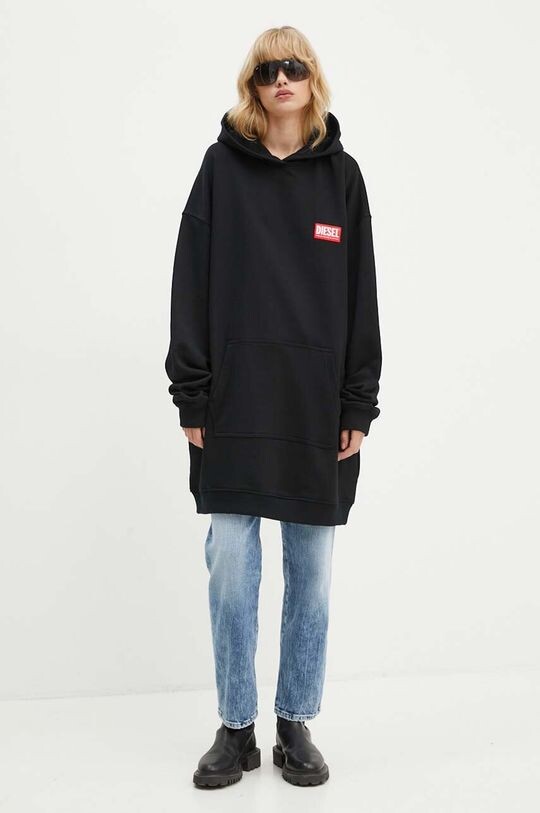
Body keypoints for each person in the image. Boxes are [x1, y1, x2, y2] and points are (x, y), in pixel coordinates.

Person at [165, 26, 382, 789]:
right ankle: (235, 726)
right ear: (252, 85)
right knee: (230, 565)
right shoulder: (220, 170)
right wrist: (191, 391)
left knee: (311, 572)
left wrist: (358, 400)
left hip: (315, 409)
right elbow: (190, 283)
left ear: (311, 78)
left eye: (293, 67)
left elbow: (362, 298)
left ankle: (294, 722)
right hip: (232, 403)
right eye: (267, 70)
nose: (281, 79)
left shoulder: (343, 178)